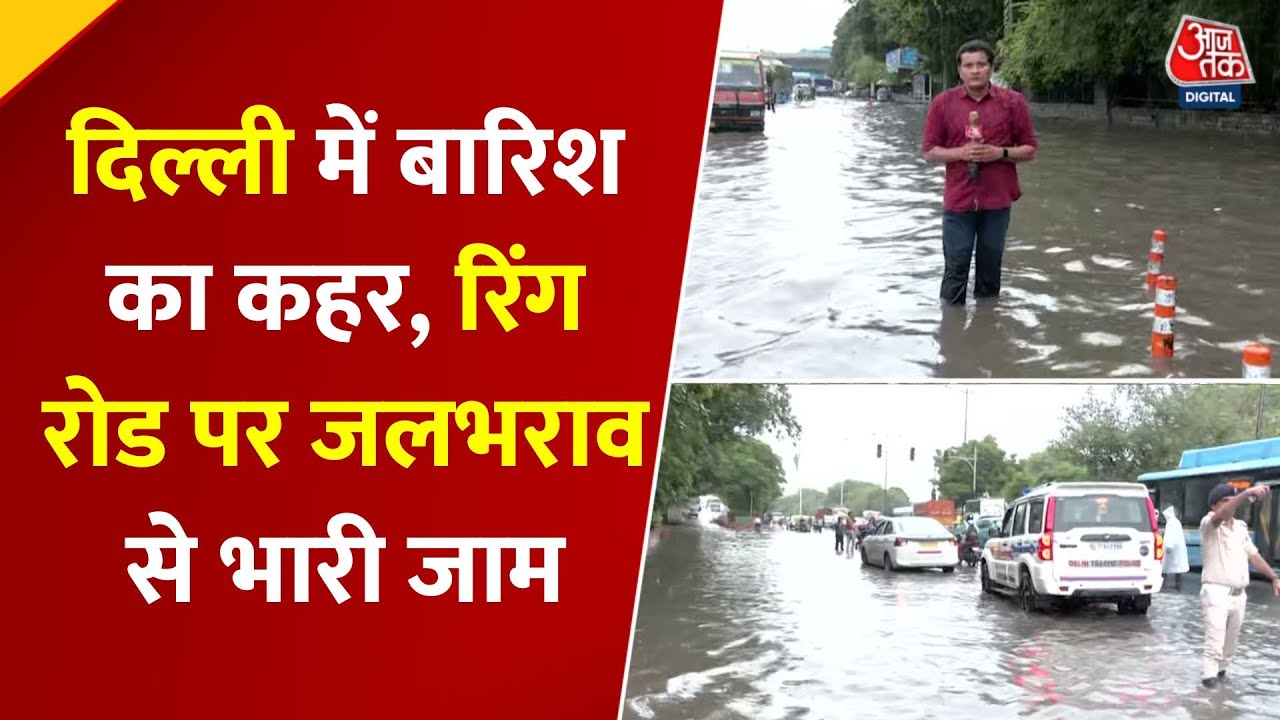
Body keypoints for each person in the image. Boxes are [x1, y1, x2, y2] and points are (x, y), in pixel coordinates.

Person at [921, 40, 1038, 306]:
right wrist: (960, 154)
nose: (975, 71)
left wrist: (1000, 153)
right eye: (968, 65)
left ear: (991, 68)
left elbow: (1030, 150)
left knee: (990, 272)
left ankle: (987, 330)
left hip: (997, 201)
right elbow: (928, 152)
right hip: (958, 202)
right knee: (955, 269)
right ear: (959, 70)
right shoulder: (943, 103)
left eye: (981, 65)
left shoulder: (1013, 103)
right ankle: (952, 334)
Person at [1198, 483, 1280, 688]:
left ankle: (1222, 690)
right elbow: (1220, 516)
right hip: (1216, 592)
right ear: (1214, 506)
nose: (1231, 505)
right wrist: (1246, 493)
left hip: (1238, 595)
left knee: (1229, 646)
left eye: (1232, 500)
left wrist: (1273, 577)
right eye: (1226, 501)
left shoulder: (1240, 528)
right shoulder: (1209, 523)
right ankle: (1209, 694)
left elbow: (1254, 556)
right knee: (1214, 645)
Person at [1161, 506, 1190, 590]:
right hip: (1177, 549)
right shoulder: (1176, 522)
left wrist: (1168, 547)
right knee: (1177, 569)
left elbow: (1170, 536)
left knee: (1165, 567)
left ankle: (1164, 585)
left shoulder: (1171, 523)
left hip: (1172, 550)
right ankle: (1178, 586)